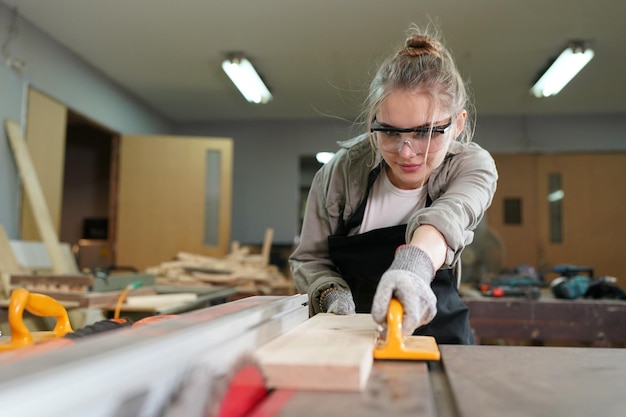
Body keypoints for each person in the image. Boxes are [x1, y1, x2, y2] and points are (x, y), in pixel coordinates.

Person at [289, 23, 498, 344]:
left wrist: (413, 267)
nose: (406, 151)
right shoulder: (341, 172)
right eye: (389, 131)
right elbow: (309, 258)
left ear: (457, 124)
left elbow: (446, 219)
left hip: (440, 337)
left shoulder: (472, 166)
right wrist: (329, 294)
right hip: (350, 336)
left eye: (424, 132)